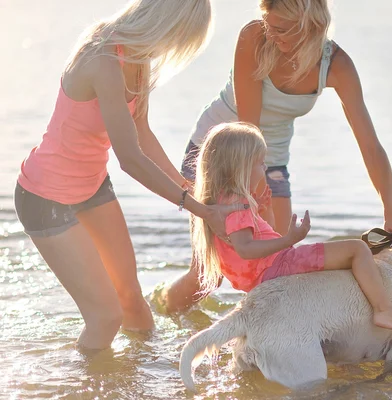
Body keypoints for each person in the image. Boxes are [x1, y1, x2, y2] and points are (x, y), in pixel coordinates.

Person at [13, 0, 243, 351]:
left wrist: (189, 187)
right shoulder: (101, 58)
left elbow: (142, 134)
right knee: (105, 317)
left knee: (131, 300)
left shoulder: (139, 56)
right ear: (166, 23)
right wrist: (198, 209)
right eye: (181, 37)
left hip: (92, 187)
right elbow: (130, 159)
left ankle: (146, 373)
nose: (176, 47)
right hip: (45, 197)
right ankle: (85, 385)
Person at [163, 0, 392, 312]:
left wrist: (391, 210)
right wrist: (252, 199)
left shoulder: (336, 65)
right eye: (268, 23)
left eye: (280, 28)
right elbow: (247, 129)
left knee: (277, 271)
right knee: (209, 276)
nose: (270, 33)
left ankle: (259, 345)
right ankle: (164, 319)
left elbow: (370, 146)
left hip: (269, 160)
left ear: (310, 26)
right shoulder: (254, 38)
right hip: (221, 157)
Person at [192, 122, 392, 336]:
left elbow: (258, 241)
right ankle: (384, 310)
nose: (264, 168)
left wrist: (263, 212)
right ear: (240, 167)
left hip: (264, 273)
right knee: (357, 249)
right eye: (260, 163)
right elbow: (246, 249)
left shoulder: (222, 203)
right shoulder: (237, 205)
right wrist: (289, 239)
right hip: (278, 265)